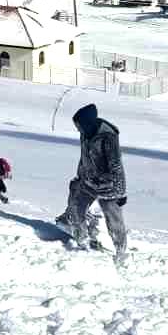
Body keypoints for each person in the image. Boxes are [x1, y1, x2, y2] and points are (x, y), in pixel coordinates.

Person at [55, 103, 129, 262]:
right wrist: (79, 177)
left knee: (114, 221)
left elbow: (116, 166)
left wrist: (121, 192)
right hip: (88, 181)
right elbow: (84, 159)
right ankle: (82, 242)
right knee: (76, 207)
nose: (78, 129)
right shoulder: (85, 133)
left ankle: (121, 252)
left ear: (88, 123)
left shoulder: (108, 137)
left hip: (108, 186)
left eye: (79, 126)